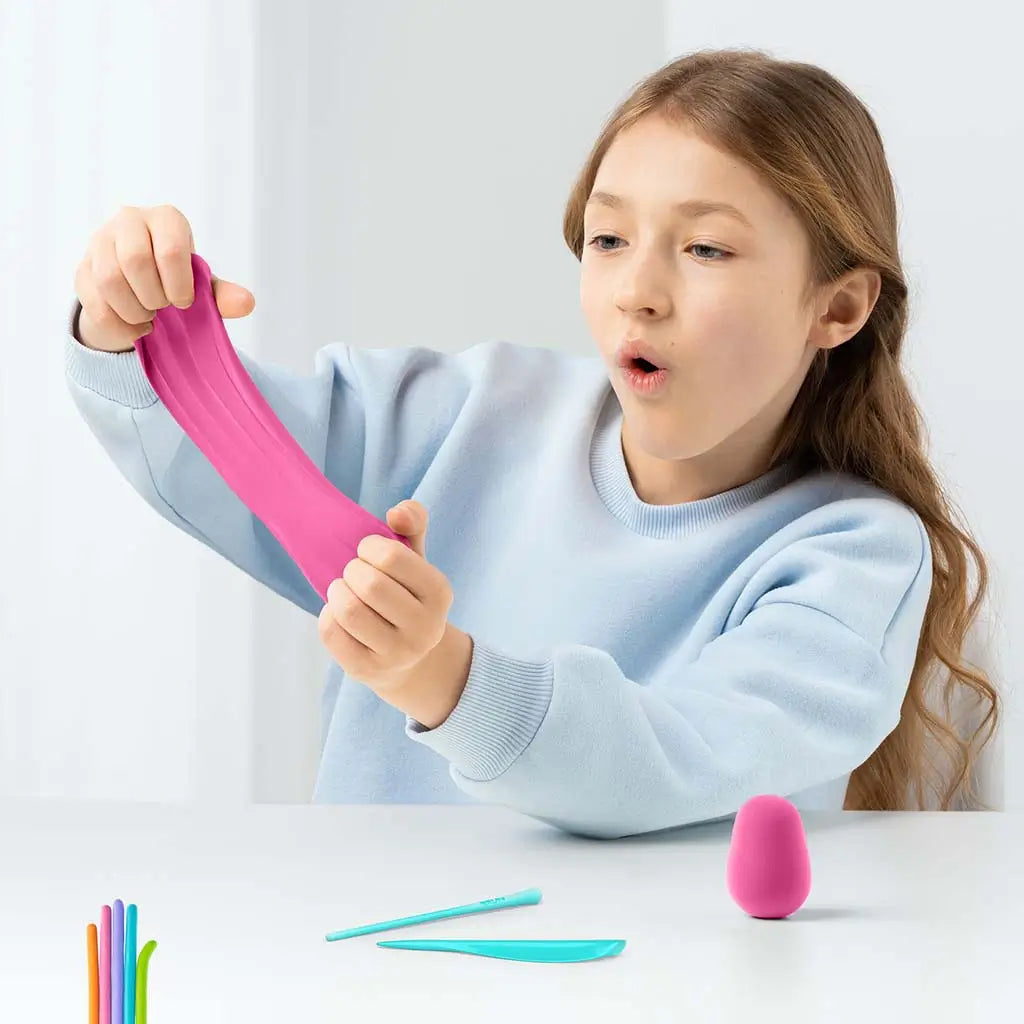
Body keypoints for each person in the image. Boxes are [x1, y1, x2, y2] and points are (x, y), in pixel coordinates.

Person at [63, 47, 999, 838]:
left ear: (837, 306)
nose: (640, 290)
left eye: (705, 249)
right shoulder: (470, 413)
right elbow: (220, 447)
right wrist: (130, 325)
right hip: (364, 964)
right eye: (607, 239)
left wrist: (441, 676)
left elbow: (682, 756)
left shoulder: (852, 557)